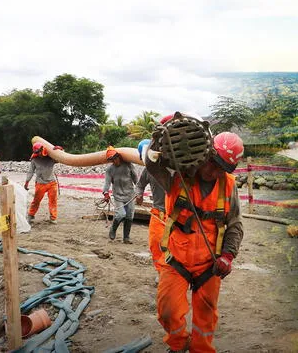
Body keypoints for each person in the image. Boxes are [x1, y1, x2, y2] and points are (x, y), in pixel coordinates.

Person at [148, 129, 244, 353]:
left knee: (206, 317)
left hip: (209, 264)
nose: (214, 171)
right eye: (212, 163)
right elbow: (152, 164)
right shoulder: (177, 175)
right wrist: (157, 140)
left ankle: (201, 349)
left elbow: (235, 225)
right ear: (205, 154)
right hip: (176, 259)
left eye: (222, 168)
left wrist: (228, 256)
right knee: (168, 311)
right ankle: (179, 343)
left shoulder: (229, 185)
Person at [102, 146, 138, 244]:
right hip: (118, 196)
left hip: (130, 195)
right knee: (120, 214)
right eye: (112, 160)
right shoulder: (110, 169)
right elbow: (107, 182)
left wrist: (139, 192)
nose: (114, 161)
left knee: (129, 216)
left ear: (119, 157)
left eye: (115, 158)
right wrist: (105, 193)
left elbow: (136, 180)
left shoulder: (129, 165)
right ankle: (113, 229)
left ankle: (126, 238)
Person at [135, 166, 166, 272]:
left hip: (179, 213)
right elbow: (140, 185)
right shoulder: (150, 168)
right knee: (156, 243)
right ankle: (160, 271)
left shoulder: (180, 167)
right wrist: (138, 194)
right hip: (159, 212)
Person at [25, 143, 62, 224]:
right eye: (37, 153)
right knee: (36, 201)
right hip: (40, 184)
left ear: (43, 150)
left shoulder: (51, 157)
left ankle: (53, 218)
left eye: (39, 152)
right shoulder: (34, 160)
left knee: (53, 201)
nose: (39, 154)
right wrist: (27, 182)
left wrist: (60, 150)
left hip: (52, 183)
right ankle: (30, 215)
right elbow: (30, 171)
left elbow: (61, 158)